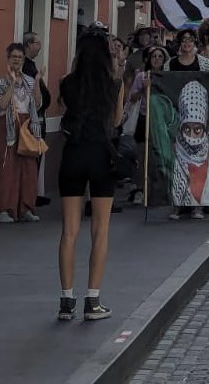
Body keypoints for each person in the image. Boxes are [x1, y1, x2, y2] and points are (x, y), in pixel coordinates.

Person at [57, 28, 125, 321]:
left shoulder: (67, 82)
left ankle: (66, 301)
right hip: (101, 155)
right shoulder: (114, 84)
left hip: (72, 154)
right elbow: (117, 119)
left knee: (69, 232)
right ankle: (93, 301)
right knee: (100, 230)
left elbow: (61, 108)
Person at [0, 42, 43, 223]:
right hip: (9, 126)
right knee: (8, 169)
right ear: (8, 59)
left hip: (27, 126)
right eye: (14, 57)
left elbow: (38, 104)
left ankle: (26, 208)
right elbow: (2, 105)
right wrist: (10, 83)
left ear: (24, 60)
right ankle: (5, 209)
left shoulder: (29, 81)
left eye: (20, 57)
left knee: (28, 168)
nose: (17, 60)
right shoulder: (1, 81)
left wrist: (38, 81)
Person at [169, 79, 209, 221]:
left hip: (201, 153)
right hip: (181, 150)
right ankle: (177, 206)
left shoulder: (205, 140)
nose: (191, 135)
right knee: (179, 174)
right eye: (187, 129)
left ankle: (198, 206)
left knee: (201, 174)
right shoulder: (179, 138)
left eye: (197, 130)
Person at [124, 45, 169, 205]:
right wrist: (143, 88)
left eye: (160, 57)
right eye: (154, 56)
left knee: (159, 156)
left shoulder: (166, 76)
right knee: (142, 156)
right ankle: (140, 189)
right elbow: (132, 98)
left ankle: (157, 190)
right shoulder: (141, 76)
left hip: (161, 121)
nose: (157, 59)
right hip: (144, 118)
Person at [22, 31, 51, 205]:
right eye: (37, 43)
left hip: (39, 118)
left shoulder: (31, 65)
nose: (40, 47)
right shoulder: (26, 67)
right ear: (29, 44)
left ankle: (32, 195)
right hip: (33, 120)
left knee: (36, 159)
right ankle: (28, 197)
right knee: (32, 160)